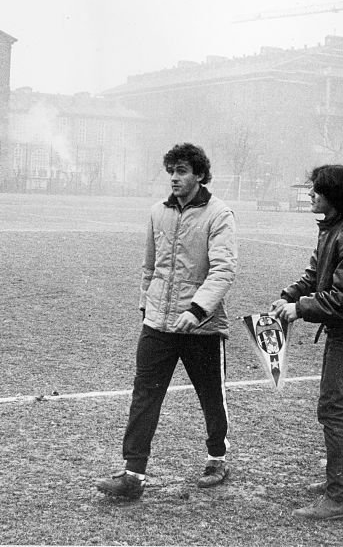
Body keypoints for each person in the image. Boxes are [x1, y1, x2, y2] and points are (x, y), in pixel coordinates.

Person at [95, 143, 238, 500]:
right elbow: (150, 267)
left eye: (183, 171)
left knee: (211, 396)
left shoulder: (220, 214)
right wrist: (147, 306)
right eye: (171, 171)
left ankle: (217, 458)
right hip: (157, 324)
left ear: (200, 175)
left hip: (201, 327)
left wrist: (197, 310)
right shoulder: (157, 212)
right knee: (144, 396)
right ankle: (132, 475)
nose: (174, 178)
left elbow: (223, 270)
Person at [270, 164, 343, 521]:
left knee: (333, 409)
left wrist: (299, 308)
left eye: (317, 190)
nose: (311, 195)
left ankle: (339, 499)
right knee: (339, 408)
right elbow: (315, 273)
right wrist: (291, 294)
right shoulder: (333, 229)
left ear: (335, 196)